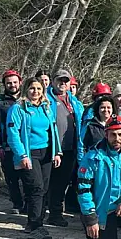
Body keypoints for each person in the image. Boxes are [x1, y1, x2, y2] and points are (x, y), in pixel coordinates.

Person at [7, 77, 62, 239]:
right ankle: (36, 225)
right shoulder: (18, 108)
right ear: (26, 90)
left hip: (46, 152)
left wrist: (57, 152)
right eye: (32, 88)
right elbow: (13, 133)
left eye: (39, 89)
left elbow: (53, 130)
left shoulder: (46, 107)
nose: (35, 92)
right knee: (36, 187)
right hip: (29, 153)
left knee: (43, 188)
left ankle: (34, 222)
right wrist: (21, 155)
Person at [46, 69, 84, 227]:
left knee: (62, 183)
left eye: (66, 81)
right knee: (47, 182)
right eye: (59, 80)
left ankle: (55, 213)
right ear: (53, 81)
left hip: (70, 148)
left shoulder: (75, 102)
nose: (63, 83)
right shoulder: (46, 99)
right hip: (51, 148)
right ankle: (39, 213)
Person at [0, 70, 24, 215]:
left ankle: (29, 204)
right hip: (7, 145)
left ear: (20, 82)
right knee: (11, 177)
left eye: (14, 82)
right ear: (5, 84)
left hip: (26, 145)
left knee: (28, 177)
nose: (12, 85)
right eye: (9, 83)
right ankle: (17, 203)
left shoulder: (27, 99)